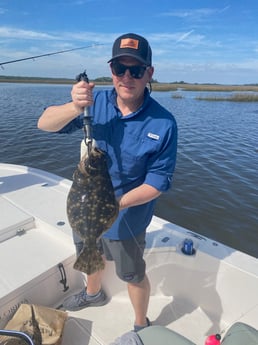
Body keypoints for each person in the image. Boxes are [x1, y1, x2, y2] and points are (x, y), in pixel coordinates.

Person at [37, 33, 177, 331]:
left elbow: (158, 182)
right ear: (111, 70)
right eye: (119, 69)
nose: (127, 77)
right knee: (89, 251)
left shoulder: (163, 123)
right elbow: (44, 124)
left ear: (149, 73)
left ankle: (141, 324)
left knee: (133, 274)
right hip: (85, 209)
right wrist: (75, 107)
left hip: (128, 216)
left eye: (136, 70)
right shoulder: (93, 102)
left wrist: (116, 205)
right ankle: (92, 293)